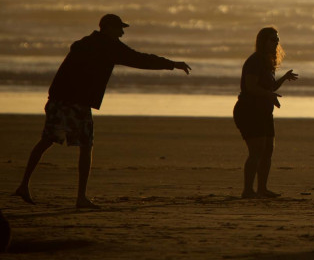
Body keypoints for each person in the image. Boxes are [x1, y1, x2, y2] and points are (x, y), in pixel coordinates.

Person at [14, 14, 191, 209]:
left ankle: (24, 185)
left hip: (58, 99)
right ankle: (80, 198)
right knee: (85, 145)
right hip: (76, 103)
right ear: (107, 28)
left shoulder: (84, 43)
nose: (122, 33)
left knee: (47, 140)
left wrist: (53, 97)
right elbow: (140, 59)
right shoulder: (108, 46)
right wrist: (172, 64)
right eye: (119, 29)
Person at [233, 27, 298, 199]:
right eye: (271, 39)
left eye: (277, 39)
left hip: (264, 111)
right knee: (256, 151)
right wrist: (269, 95)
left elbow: (269, 87)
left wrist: (283, 78)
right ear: (262, 41)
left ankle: (262, 188)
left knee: (268, 149)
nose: (275, 42)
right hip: (249, 110)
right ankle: (247, 190)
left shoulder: (268, 61)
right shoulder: (255, 61)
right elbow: (251, 87)